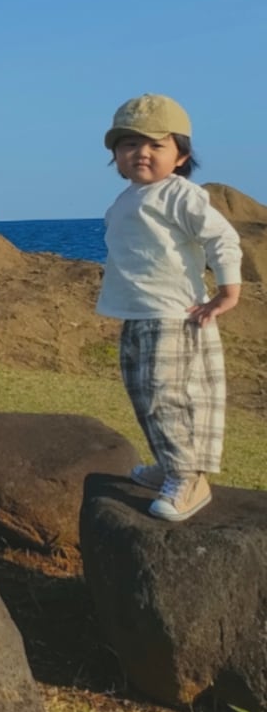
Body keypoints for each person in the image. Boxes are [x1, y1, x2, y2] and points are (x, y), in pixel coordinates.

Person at [97, 94, 242, 521]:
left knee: (169, 398)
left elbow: (222, 238)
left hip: (175, 316)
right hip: (137, 316)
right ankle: (169, 462)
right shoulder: (124, 201)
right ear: (116, 157)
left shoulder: (182, 196)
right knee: (144, 397)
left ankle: (189, 478)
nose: (141, 152)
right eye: (129, 144)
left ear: (181, 156)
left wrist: (227, 290)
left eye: (156, 144)